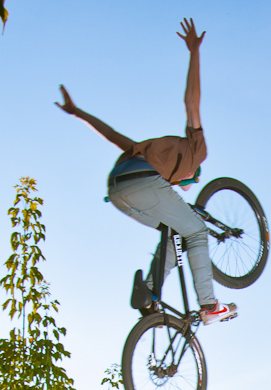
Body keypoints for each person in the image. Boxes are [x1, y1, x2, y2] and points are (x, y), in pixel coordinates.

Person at [55, 18, 236, 324]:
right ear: (194, 172)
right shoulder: (197, 150)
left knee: (173, 232)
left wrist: (77, 113)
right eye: (191, 180)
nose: (186, 184)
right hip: (142, 182)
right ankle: (209, 305)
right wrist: (194, 52)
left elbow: (112, 135)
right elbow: (191, 102)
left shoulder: (151, 154)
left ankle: (150, 294)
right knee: (197, 230)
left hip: (118, 190)